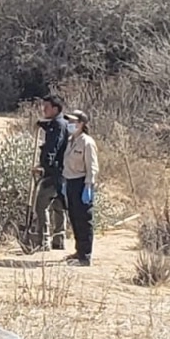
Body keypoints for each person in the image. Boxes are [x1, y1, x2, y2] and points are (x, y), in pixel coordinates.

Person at [32, 95, 69, 251]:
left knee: (42, 205)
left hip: (53, 172)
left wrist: (43, 166)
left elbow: (52, 147)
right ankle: (59, 240)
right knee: (59, 205)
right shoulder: (63, 123)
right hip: (63, 172)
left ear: (55, 109)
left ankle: (43, 241)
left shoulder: (58, 125)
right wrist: (42, 125)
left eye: (46, 107)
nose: (43, 110)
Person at [62, 110, 98, 267]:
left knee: (84, 220)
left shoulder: (87, 142)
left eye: (73, 121)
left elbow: (92, 166)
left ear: (82, 123)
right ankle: (79, 251)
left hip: (82, 183)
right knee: (74, 218)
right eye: (69, 121)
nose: (70, 124)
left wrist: (88, 185)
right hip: (70, 182)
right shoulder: (70, 140)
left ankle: (85, 256)